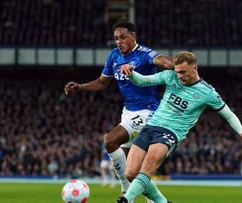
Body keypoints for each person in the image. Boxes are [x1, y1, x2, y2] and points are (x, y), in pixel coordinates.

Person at [117, 51, 242, 203]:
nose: (180, 75)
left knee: (148, 166)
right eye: (177, 72)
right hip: (151, 126)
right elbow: (142, 81)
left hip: (170, 133)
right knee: (130, 173)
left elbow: (228, 114)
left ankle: (126, 199)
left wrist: (241, 131)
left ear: (194, 67)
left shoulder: (207, 93)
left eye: (183, 72)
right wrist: (130, 73)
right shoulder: (170, 76)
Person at [64, 22, 173, 199]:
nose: (118, 41)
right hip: (128, 112)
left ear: (133, 37)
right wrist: (81, 87)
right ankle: (156, 200)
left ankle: (124, 189)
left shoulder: (144, 54)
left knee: (110, 141)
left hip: (147, 112)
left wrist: (179, 65)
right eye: (116, 38)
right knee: (133, 169)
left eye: (123, 37)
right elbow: (102, 82)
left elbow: (163, 61)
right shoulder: (114, 56)